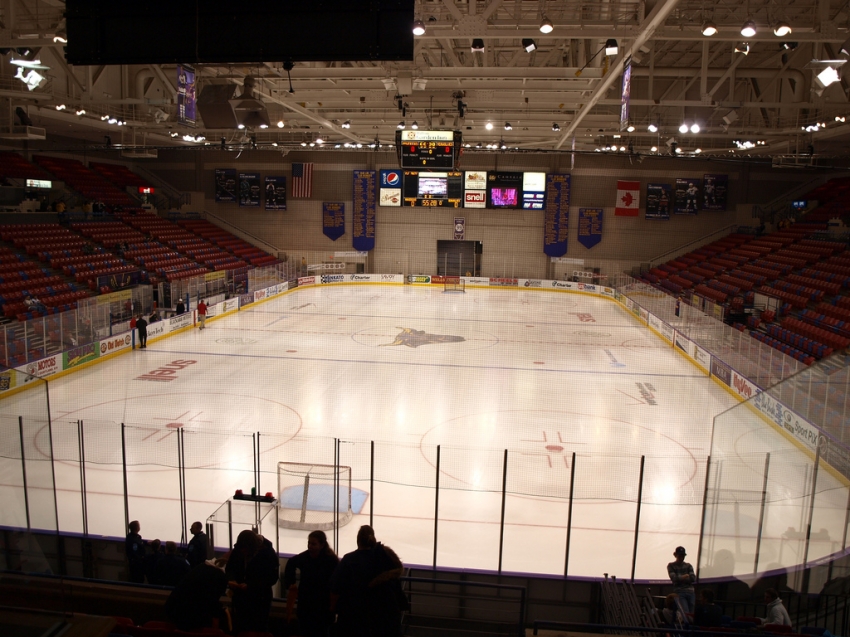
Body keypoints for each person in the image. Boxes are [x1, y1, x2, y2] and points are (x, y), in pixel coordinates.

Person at [331, 525, 406, 637]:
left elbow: (335, 587)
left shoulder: (349, 560)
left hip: (354, 615)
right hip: (382, 616)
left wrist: (332, 610)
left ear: (358, 540)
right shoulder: (384, 558)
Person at [282, 530, 340, 637]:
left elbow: (337, 582)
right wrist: (291, 583)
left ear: (322, 545)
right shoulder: (305, 557)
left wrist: (333, 606)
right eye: (309, 543)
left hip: (323, 606)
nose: (310, 546)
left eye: (313, 544)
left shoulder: (331, 561)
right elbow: (291, 563)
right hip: (306, 604)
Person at [225, 529, 280, 635]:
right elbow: (230, 568)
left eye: (246, 551)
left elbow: (272, 578)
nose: (243, 553)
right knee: (241, 627)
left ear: (253, 548)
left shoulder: (268, 554)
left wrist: (251, 586)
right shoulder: (239, 549)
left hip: (260, 600)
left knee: (259, 629)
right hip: (240, 598)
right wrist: (231, 579)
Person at [165, 557, 230, 631]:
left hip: (173, 610)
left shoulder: (202, 568)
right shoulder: (220, 578)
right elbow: (213, 603)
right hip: (189, 617)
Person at [667, 546, 695, 614]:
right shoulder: (671, 565)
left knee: (692, 613)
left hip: (690, 592)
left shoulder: (688, 565)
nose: (682, 557)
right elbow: (674, 578)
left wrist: (680, 578)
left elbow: (693, 578)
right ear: (675, 555)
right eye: (680, 555)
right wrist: (685, 576)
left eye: (683, 555)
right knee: (685, 612)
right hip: (680, 592)